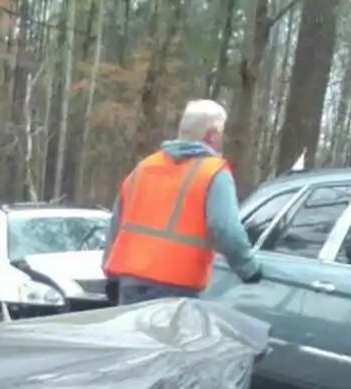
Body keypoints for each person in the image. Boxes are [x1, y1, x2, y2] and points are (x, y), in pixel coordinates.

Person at [104, 99, 262, 304]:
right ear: (211, 135)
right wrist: (249, 269)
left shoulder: (144, 167)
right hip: (175, 287)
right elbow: (225, 227)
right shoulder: (213, 172)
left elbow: (116, 224)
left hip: (130, 284)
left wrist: (110, 273)